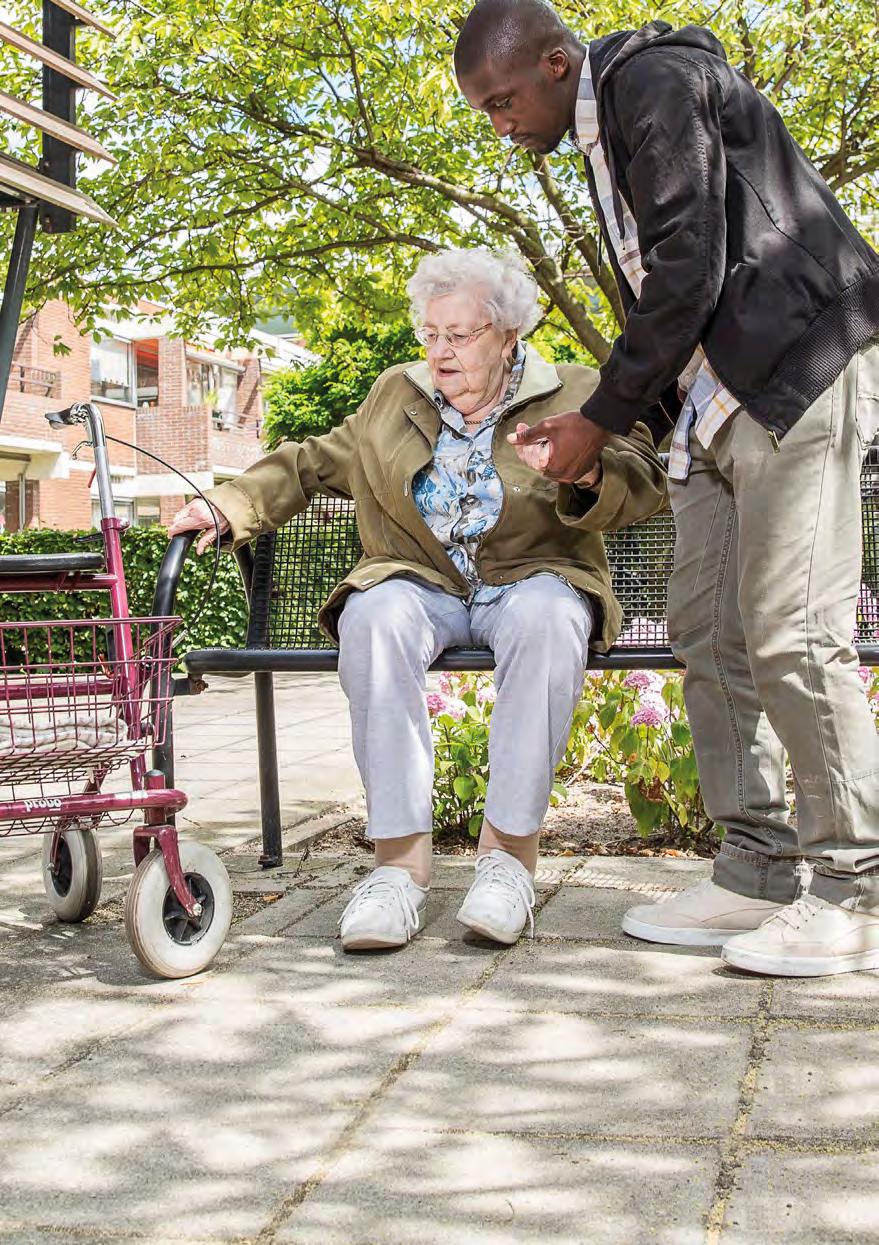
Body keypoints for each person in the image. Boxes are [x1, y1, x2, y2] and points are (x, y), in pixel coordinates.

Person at [455, 0, 879, 977]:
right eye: (483, 109)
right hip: (713, 401)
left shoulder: (652, 82)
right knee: (706, 624)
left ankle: (852, 885)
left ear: (559, 65)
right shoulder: (604, 140)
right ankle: (757, 869)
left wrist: (599, 415)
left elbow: (689, 264)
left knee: (790, 629)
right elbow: (672, 298)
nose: (499, 123)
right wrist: (613, 434)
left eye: (504, 99)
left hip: (795, 369)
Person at [168, 247, 667, 951]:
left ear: (506, 335)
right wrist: (227, 506)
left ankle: (507, 862)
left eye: (458, 336)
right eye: (430, 334)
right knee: (373, 613)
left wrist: (582, 470)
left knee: (549, 615)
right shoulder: (393, 395)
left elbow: (641, 475)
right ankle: (398, 868)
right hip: (420, 579)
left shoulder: (576, 390)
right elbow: (311, 461)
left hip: (532, 573)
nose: (439, 352)